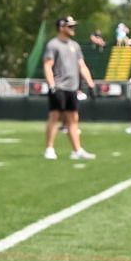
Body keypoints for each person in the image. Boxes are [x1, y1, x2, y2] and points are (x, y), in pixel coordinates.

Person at [43, 17, 97, 159]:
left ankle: (77, 150)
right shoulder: (53, 45)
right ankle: (49, 149)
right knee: (54, 117)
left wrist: (90, 83)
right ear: (61, 27)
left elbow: (82, 66)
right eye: (70, 26)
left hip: (72, 88)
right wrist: (52, 86)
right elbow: (48, 65)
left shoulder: (75, 46)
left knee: (73, 118)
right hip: (59, 86)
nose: (73, 29)